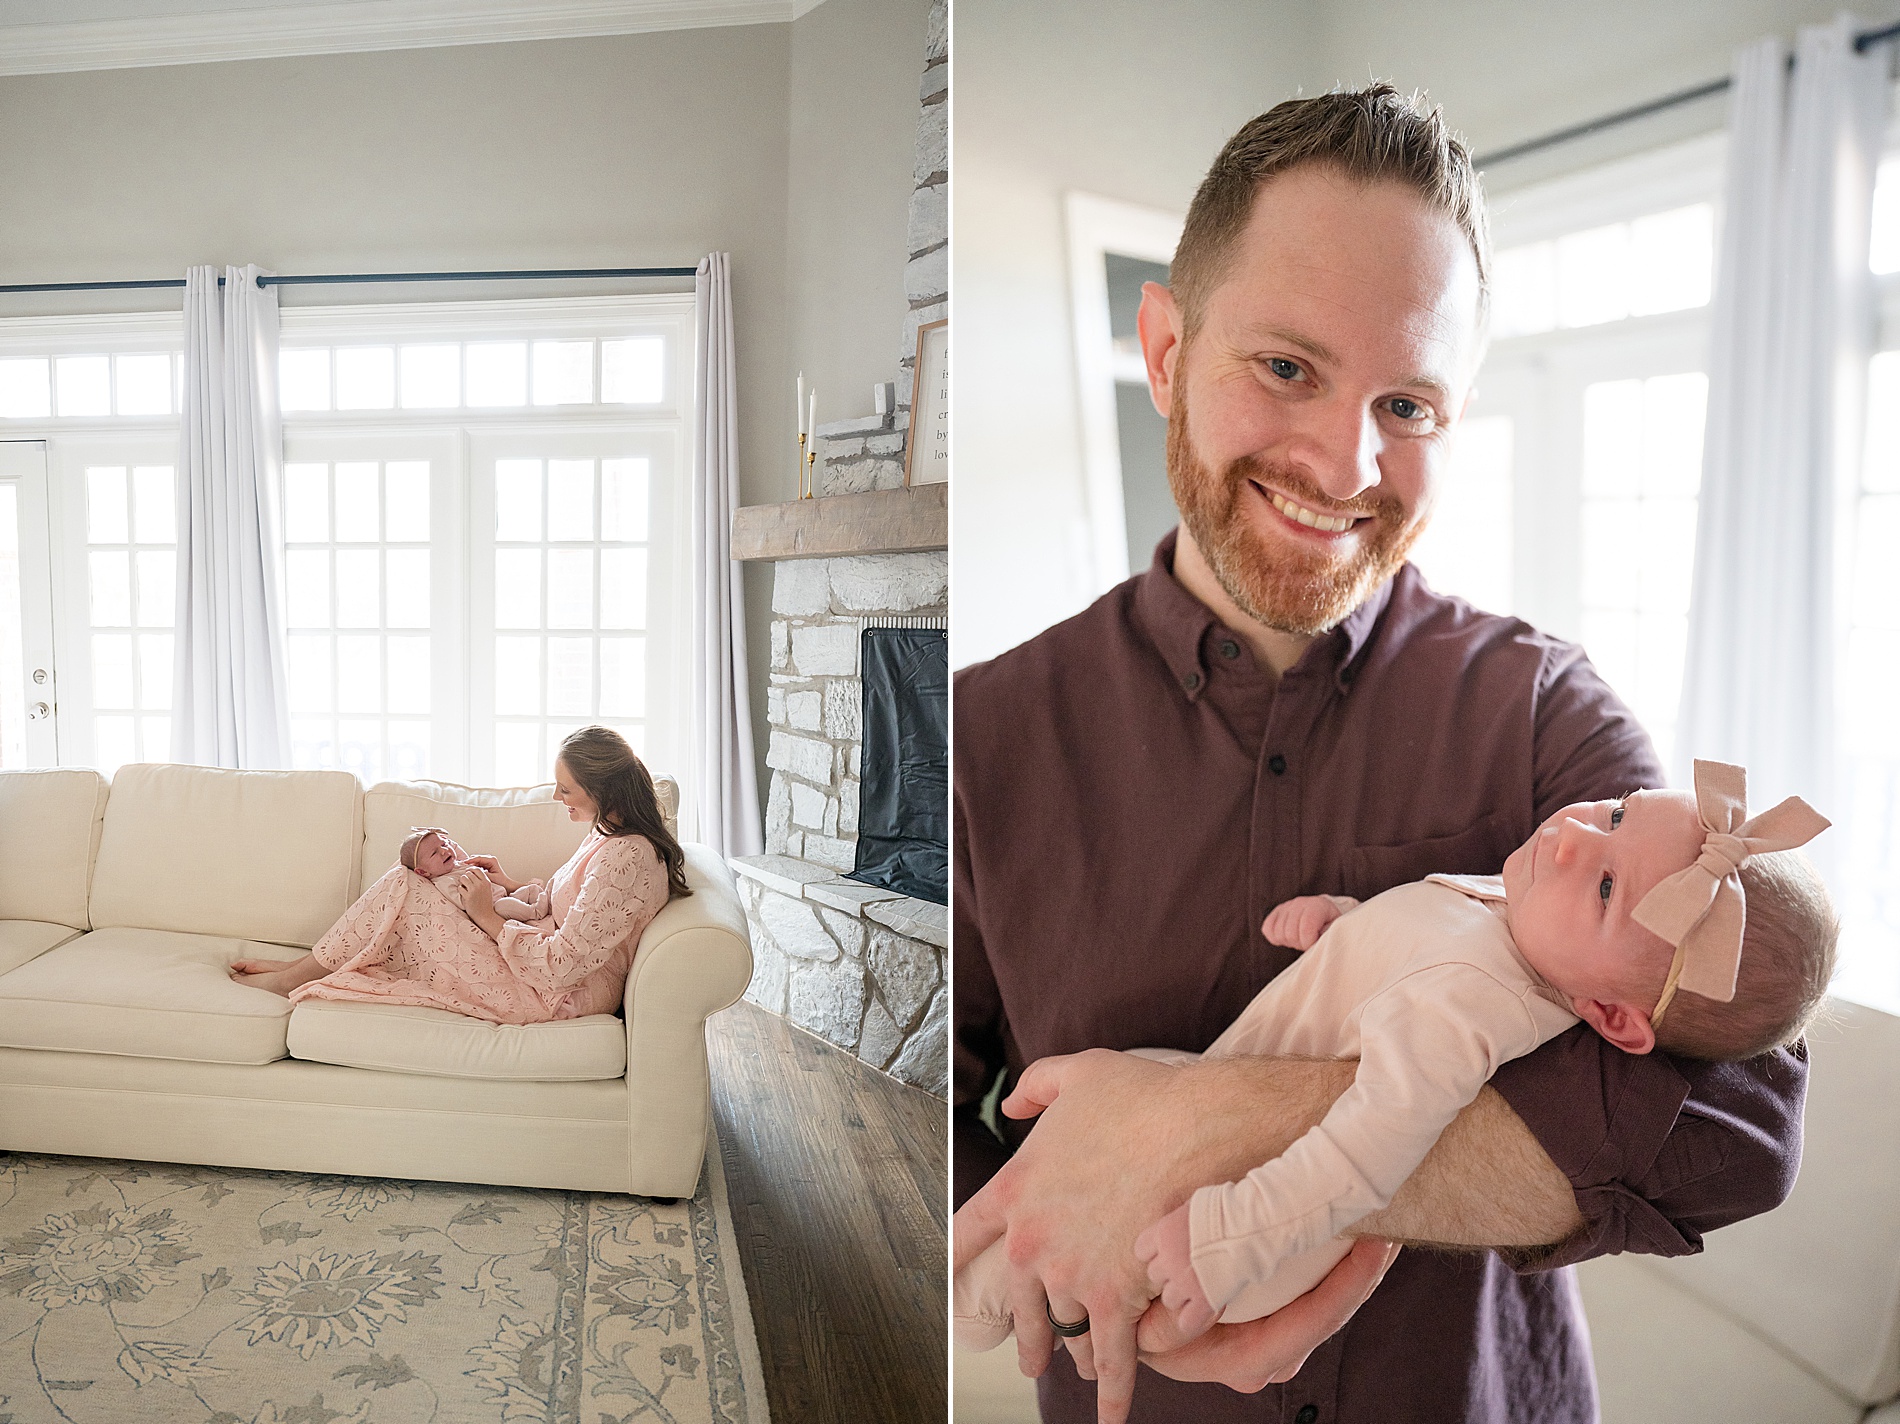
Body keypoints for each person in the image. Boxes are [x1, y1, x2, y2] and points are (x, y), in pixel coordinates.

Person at [953, 86, 1809, 1424]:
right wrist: (1063, 1243)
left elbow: (1737, 1130)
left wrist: (1204, 1122)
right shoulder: (984, 738)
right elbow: (919, 1143)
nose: (1343, 463)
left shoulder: (1546, 715)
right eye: (1286, 368)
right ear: (1168, 350)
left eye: (1407, 404)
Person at [955, 767, 1835, 1349]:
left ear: (1609, 1015)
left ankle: (977, 1302)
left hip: (1239, 1230)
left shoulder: (1466, 1013)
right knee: (1103, 1102)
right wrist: (1345, 924)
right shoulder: (1524, 917)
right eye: (1612, 814)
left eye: (1606, 887)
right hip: (1208, 1080)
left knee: (1083, 1171)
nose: (1572, 837)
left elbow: (1361, 1158)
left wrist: (1226, 1239)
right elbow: (1420, 938)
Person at [229, 726, 692, 1024]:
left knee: (408, 883)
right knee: (414, 883)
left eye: (566, 788)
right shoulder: (610, 833)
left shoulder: (627, 857)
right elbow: (570, 903)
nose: (556, 795)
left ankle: (294, 975)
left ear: (602, 787)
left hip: (552, 995)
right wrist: (511, 886)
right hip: (537, 961)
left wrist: (487, 914)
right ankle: (304, 967)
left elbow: (561, 967)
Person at [398, 826, 552, 922]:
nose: (444, 850)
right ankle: (535, 912)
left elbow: (456, 850)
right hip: (493, 908)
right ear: (423, 872)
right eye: (434, 853)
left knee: (531, 889)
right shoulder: (443, 882)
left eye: (444, 844)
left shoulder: (458, 864)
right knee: (505, 906)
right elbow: (462, 902)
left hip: (506, 895)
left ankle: (543, 899)